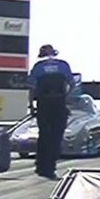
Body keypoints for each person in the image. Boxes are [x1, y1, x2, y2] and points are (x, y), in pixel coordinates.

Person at [27, 44, 74, 179]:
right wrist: (65, 97)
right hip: (59, 104)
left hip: (44, 104)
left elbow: (31, 89)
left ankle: (41, 166)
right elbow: (72, 84)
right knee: (56, 137)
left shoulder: (38, 67)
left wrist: (31, 106)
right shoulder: (63, 65)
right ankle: (50, 167)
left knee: (44, 136)